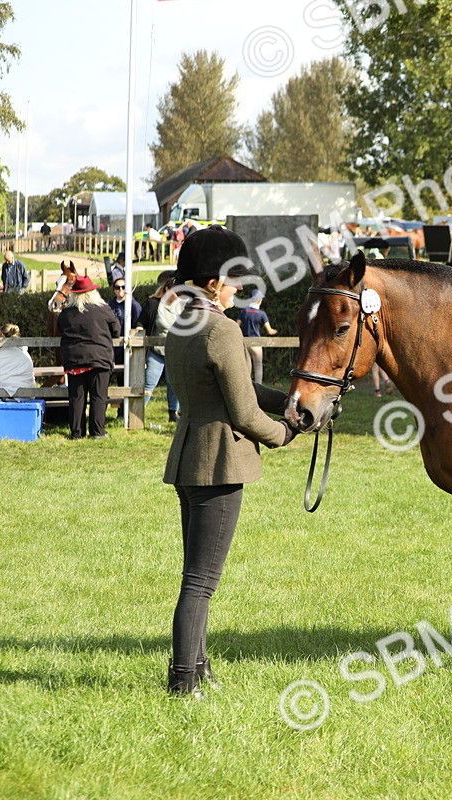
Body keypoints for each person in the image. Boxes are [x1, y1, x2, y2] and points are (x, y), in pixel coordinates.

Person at [163, 226, 297, 698]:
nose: (238, 286)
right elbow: (242, 410)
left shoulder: (181, 323)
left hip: (188, 456)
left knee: (195, 575)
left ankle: (199, 668)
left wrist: (290, 402)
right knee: (200, 582)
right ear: (213, 281)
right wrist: (286, 434)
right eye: (233, 279)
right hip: (219, 461)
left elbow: (241, 388)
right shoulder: (222, 328)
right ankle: (183, 681)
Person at [59, 276, 120, 439]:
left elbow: (59, 328)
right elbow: (116, 330)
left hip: (74, 360)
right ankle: (97, 432)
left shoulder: (66, 313)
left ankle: (77, 432)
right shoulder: (103, 309)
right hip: (99, 358)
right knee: (98, 396)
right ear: (93, 292)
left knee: (76, 398)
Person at [138, 270, 182, 422]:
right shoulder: (153, 304)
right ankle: (137, 412)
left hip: (175, 351)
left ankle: (173, 413)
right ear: (167, 289)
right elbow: (141, 322)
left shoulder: (182, 306)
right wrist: (138, 330)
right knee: (150, 381)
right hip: (156, 351)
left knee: (174, 383)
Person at [0, 324, 34, 394]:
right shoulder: (25, 353)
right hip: (27, 390)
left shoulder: (3, 353)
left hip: (9, 391)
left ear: (2, 335)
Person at [239, 296, 278, 383]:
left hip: (245, 342)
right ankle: (258, 387)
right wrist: (275, 331)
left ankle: (246, 386)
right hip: (256, 342)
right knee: (258, 365)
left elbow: (237, 325)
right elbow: (269, 331)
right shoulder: (261, 313)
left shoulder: (244, 311)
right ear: (259, 300)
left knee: (247, 366)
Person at [109, 277, 142, 372]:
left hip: (129, 344)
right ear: (113, 290)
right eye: (117, 287)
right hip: (114, 345)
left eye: (123, 287)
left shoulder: (134, 305)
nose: (120, 290)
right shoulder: (110, 305)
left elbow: (138, 323)